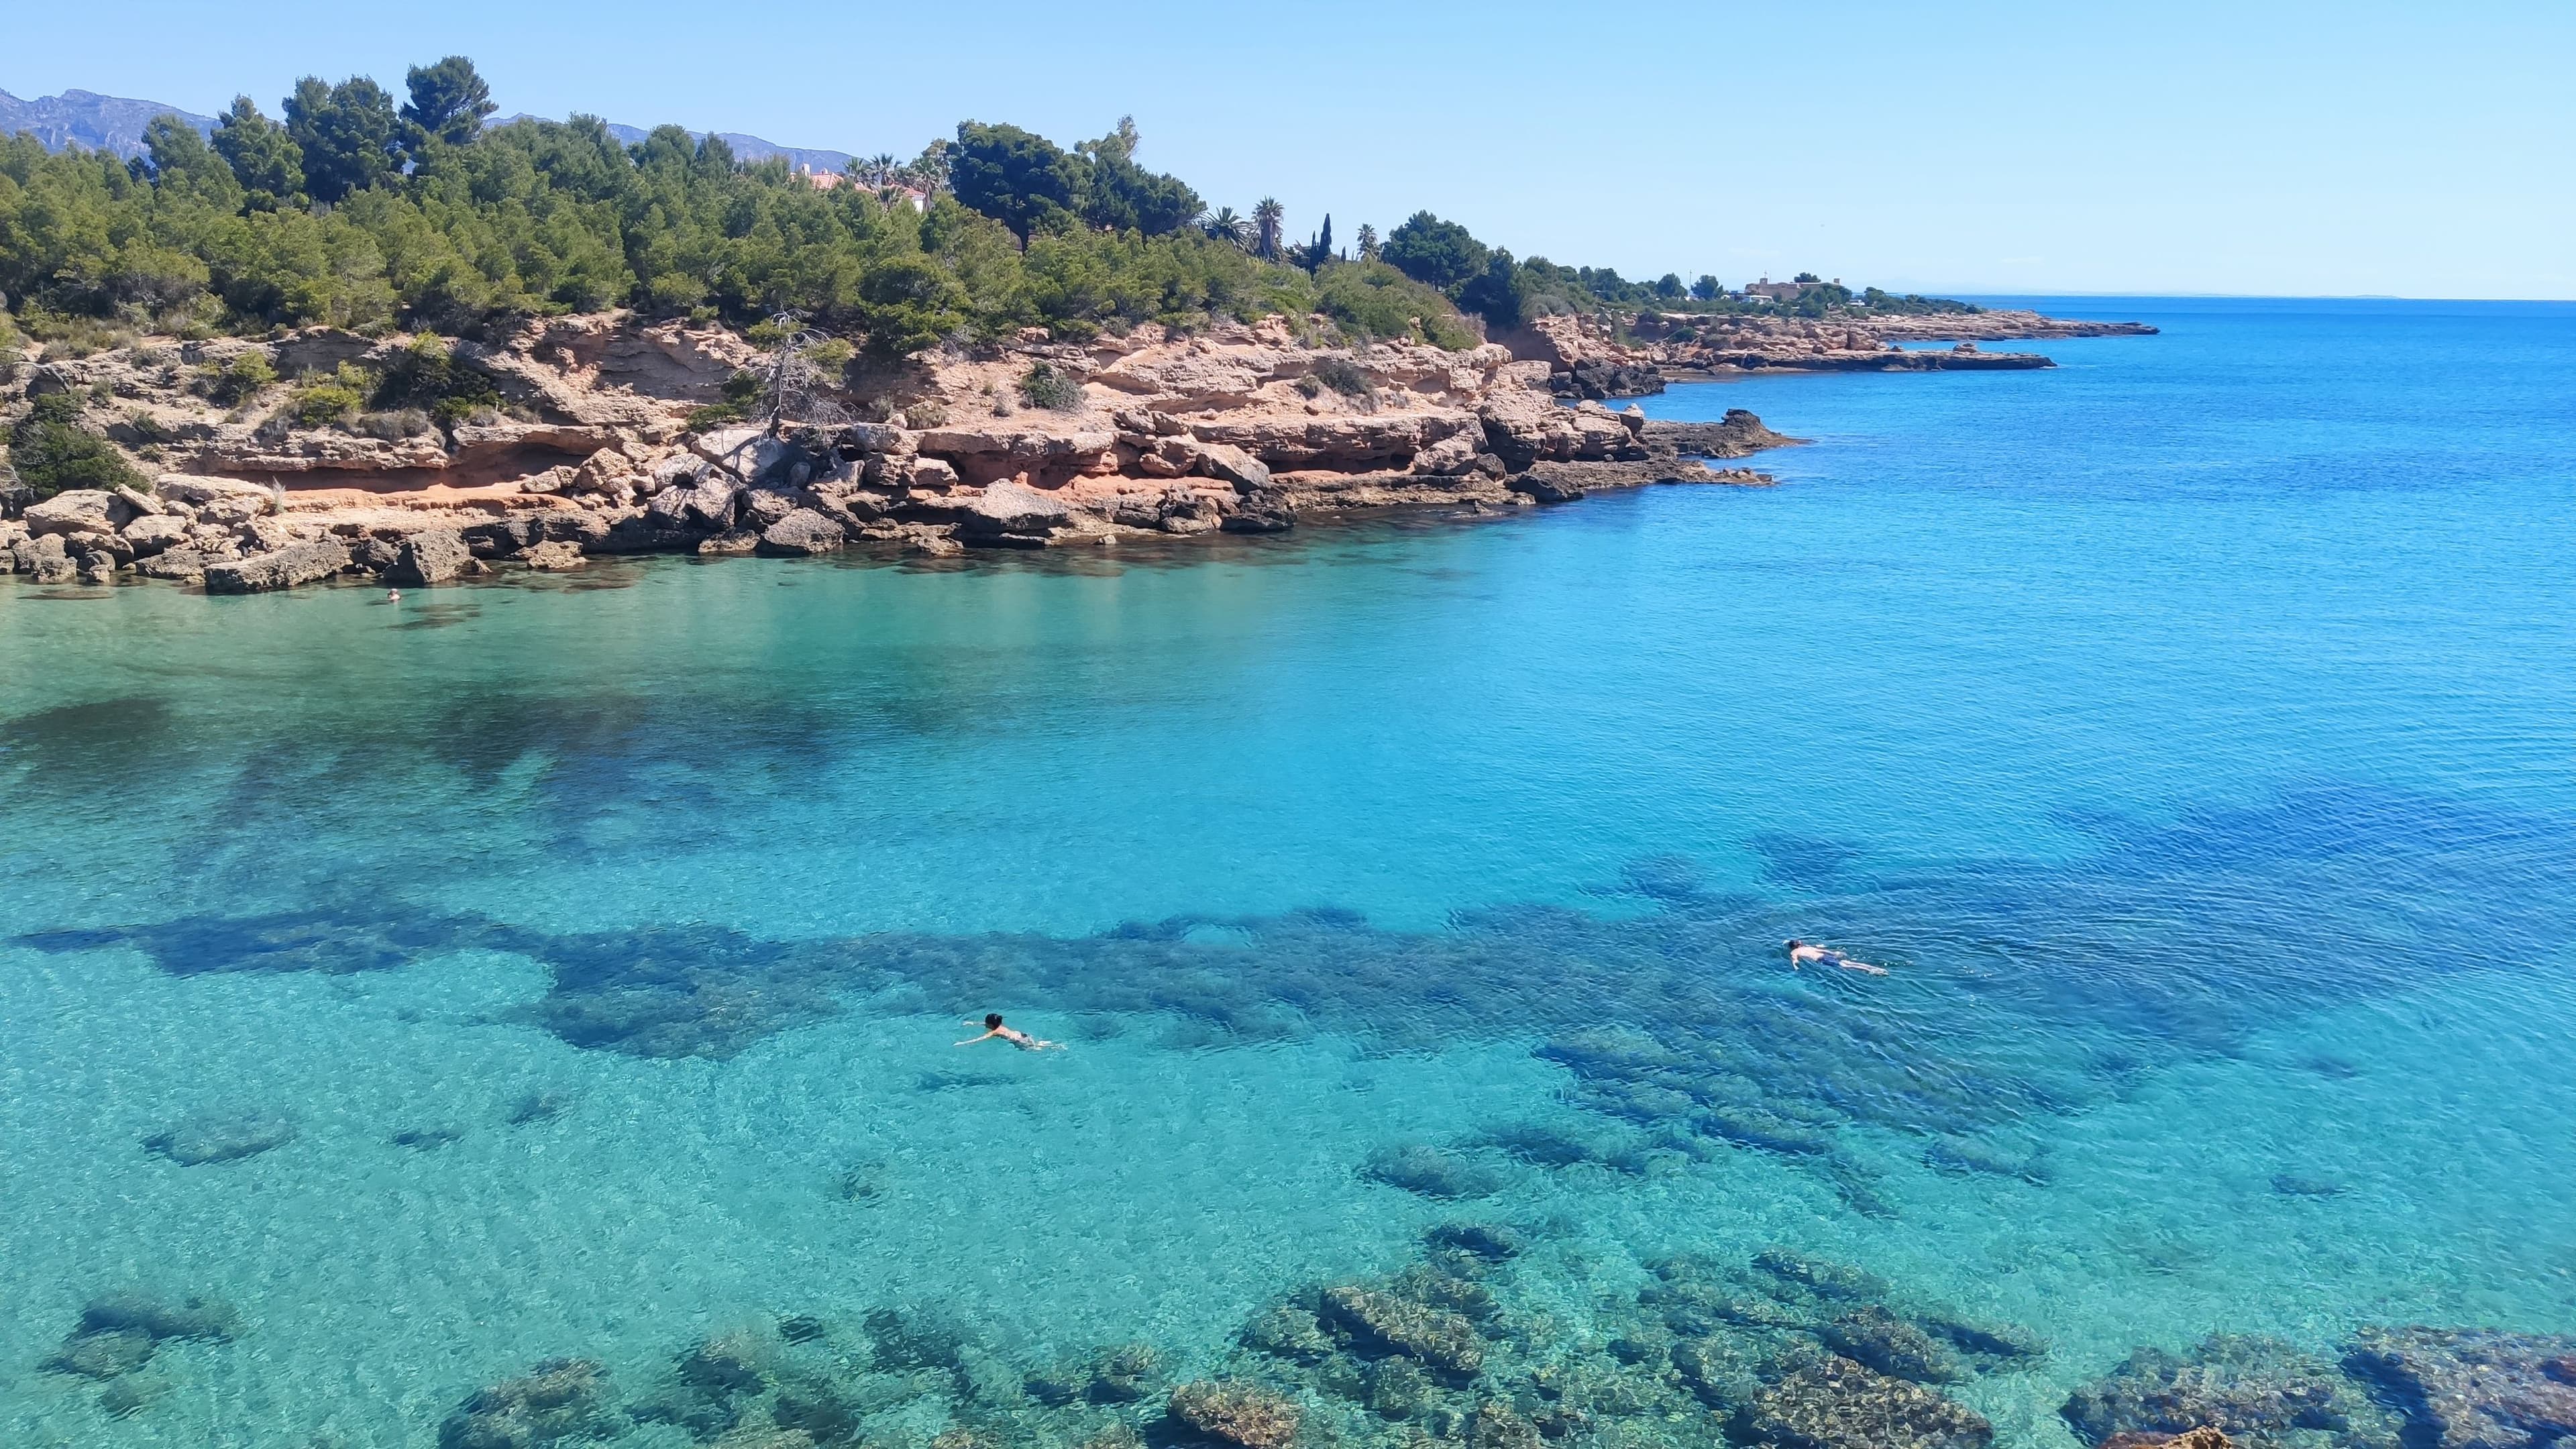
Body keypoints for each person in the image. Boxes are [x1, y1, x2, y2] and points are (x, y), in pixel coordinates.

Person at [955, 1013, 1065, 1051]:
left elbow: (980, 1039)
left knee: (1035, 1049)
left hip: (1018, 1041)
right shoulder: (1000, 1026)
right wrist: (972, 1023)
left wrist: (963, 1043)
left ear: (991, 1025)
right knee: (1036, 1044)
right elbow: (984, 1024)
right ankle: (1053, 1044)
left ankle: (1054, 1047)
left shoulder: (994, 1032)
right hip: (1021, 1035)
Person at [1786, 939, 1887, 976]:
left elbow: (1795, 961)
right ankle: (1872, 967)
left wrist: (1796, 968)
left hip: (1822, 960)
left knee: (1844, 966)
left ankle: (1869, 970)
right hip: (1826, 956)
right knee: (1848, 962)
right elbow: (1823, 950)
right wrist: (1834, 953)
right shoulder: (1809, 947)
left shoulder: (1794, 952)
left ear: (1791, 947)